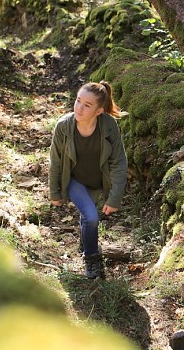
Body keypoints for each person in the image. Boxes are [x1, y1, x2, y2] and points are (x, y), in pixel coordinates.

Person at [49, 81, 127, 279]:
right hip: (75, 181)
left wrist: (114, 198)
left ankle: (86, 240)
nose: (79, 108)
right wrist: (55, 192)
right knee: (91, 217)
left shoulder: (109, 126)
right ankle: (91, 257)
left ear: (99, 111)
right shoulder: (64, 126)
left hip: (98, 182)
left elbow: (119, 162)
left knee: (87, 217)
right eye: (78, 101)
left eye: (87, 105)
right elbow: (56, 162)